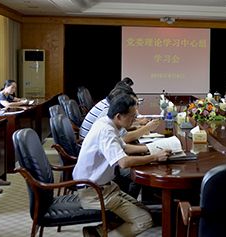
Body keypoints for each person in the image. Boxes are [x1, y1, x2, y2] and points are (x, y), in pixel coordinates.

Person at [73, 94, 170, 237]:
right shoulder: (106, 131)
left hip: (105, 187)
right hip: (93, 192)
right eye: (132, 117)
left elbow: (124, 147)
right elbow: (124, 162)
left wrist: (153, 148)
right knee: (144, 220)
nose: (134, 120)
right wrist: (155, 157)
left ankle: (97, 232)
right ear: (118, 116)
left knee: (144, 211)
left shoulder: (107, 123)